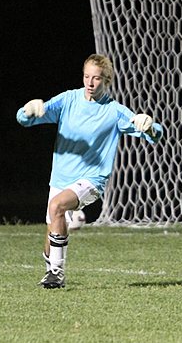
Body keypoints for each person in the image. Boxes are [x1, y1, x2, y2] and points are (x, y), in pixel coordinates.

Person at [16, 54, 164, 288]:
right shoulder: (68, 100)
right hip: (60, 177)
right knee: (52, 227)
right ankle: (51, 274)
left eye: (96, 78)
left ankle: (57, 272)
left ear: (107, 81)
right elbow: (28, 118)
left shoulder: (115, 111)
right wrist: (28, 111)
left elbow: (153, 133)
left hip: (92, 180)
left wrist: (150, 126)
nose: (90, 82)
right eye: (87, 76)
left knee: (57, 206)